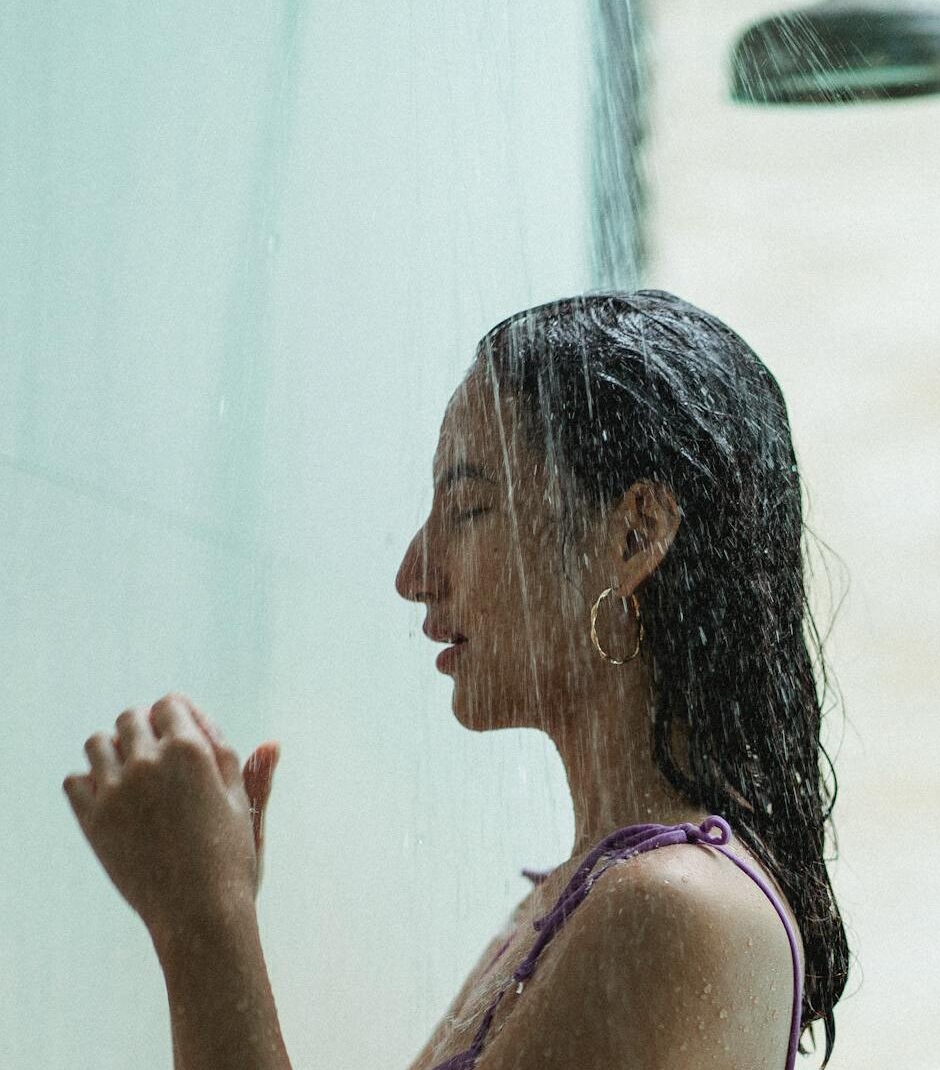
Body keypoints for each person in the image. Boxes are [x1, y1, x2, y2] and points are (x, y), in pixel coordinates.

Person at [63, 288, 849, 1070]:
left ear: (635, 532)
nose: (415, 572)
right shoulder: (569, 901)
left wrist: (203, 917)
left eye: (467, 507)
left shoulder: (668, 906)